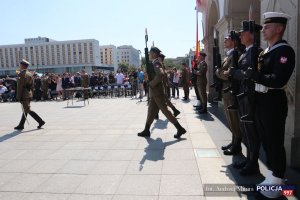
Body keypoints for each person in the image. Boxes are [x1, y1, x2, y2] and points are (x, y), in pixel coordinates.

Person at [249, 12, 295, 199]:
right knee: (266, 141)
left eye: (268, 26)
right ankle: (271, 176)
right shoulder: (266, 51)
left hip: (273, 101)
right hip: (261, 100)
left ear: (279, 28)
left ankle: (278, 179)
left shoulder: (284, 51)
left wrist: (256, 76)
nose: (264, 30)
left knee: (274, 142)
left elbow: (278, 79)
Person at [230, 21, 262, 176]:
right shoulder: (245, 52)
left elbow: (250, 74)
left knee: (251, 130)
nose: (240, 35)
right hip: (243, 95)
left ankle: (253, 162)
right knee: (245, 129)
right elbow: (241, 73)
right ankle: (249, 159)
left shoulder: (256, 51)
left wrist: (237, 73)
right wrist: (237, 73)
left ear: (251, 34)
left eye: (243, 33)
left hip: (250, 96)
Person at [137, 47, 186, 139]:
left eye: (150, 53)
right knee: (151, 111)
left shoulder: (156, 63)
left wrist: (151, 83)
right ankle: (147, 130)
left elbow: (161, 74)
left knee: (166, 111)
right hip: (154, 92)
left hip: (157, 92)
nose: (149, 55)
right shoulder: (154, 63)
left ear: (154, 54)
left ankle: (180, 128)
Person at [216, 33, 242, 156]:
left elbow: (228, 74)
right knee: (230, 119)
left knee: (234, 119)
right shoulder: (229, 56)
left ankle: (237, 145)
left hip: (231, 91)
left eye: (227, 39)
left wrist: (218, 73)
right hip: (226, 91)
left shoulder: (235, 55)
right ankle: (233, 141)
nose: (224, 41)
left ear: (234, 41)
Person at [14, 59, 45, 130]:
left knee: (27, 109)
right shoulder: (30, 74)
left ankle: (40, 121)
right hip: (29, 93)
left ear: (22, 65)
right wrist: (31, 94)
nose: (20, 66)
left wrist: (18, 96)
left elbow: (20, 86)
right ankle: (21, 125)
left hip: (24, 94)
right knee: (25, 109)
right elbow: (32, 86)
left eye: (20, 65)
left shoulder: (22, 74)